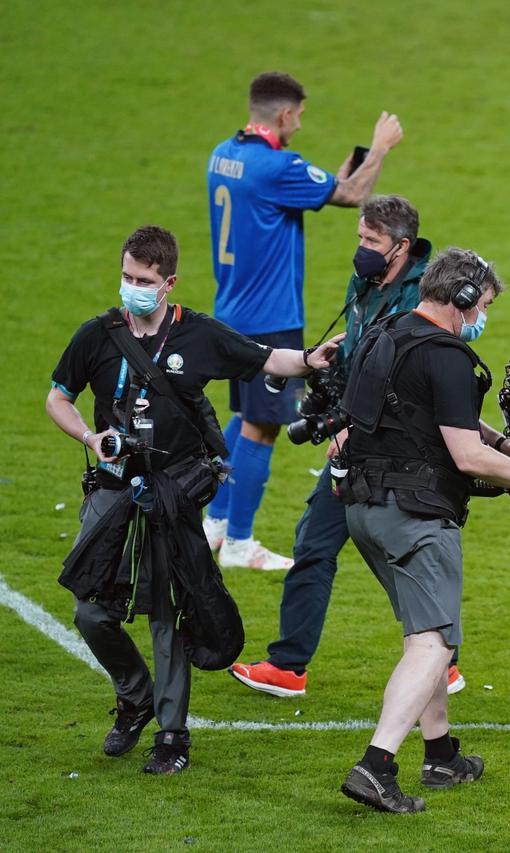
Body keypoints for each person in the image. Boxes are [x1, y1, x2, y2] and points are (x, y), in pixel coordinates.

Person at [46, 226, 342, 774]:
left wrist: (311, 357)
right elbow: (57, 398)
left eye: (145, 280)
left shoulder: (199, 335)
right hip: (112, 488)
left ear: (169, 283)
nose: (133, 288)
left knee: (165, 613)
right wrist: (90, 437)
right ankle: (134, 694)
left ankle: (172, 736)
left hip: (173, 495)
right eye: (127, 277)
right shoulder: (97, 335)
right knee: (90, 611)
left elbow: (264, 358)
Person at [336, 248, 510, 813]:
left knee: (421, 636)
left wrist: (503, 446)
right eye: (486, 304)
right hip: (415, 515)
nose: (484, 316)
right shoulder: (450, 357)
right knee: (433, 644)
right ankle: (376, 766)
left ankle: (441, 755)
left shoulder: (387, 333)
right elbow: (465, 457)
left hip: (363, 508)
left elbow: (420, 410)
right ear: (465, 298)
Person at [228, 195, 465, 698]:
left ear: (401, 246)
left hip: (393, 449)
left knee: (399, 554)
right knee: (315, 546)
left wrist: (348, 428)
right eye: (360, 237)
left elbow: (400, 376)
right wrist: (327, 364)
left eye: (371, 241)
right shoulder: (365, 282)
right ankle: (289, 666)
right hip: (356, 438)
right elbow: (363, 356)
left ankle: (439, 659)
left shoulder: (422, 297)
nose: (361, 248)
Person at [203, 70, 404, 569]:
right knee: (264, 426)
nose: (299, 126)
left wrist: (346, 173)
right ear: (286, 113)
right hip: (269, 316)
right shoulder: (276, 167)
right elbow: (354, 196)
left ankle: (215, 522)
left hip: (231, 308)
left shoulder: (224, 155)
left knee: (246, 414)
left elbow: (329, 188)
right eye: (300, 117)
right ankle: (240, 543)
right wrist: (380, 149)